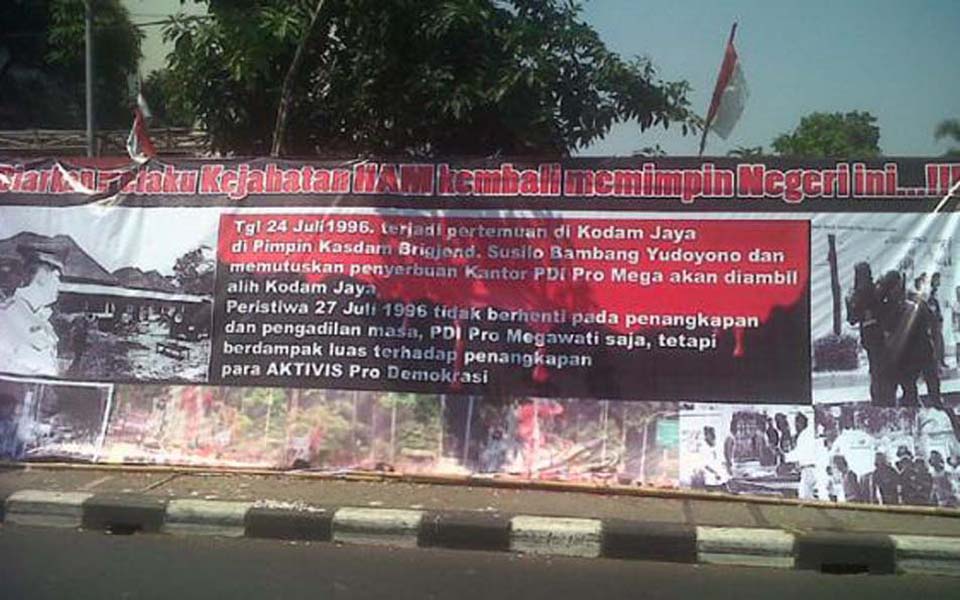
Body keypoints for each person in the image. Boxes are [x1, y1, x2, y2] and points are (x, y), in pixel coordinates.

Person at [0, 239, 69, 377]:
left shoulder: (40, 318)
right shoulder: (5, 317)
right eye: (57, 276)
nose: (59, 285)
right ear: (40, 277)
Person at [847, 262, 891, 404]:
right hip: (876, 334)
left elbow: (852, 318)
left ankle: (879, 398)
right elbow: (852, 318)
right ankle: (880, 399)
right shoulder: (865, 292)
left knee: (877, 369)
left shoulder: (863, 292)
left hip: (874, 334)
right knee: (878, 369)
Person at [787, 413, 817, 500]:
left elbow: (797, 455)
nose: (796, 426)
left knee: (804, 496)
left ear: (802, 423)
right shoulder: (805, 435)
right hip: (808, 469)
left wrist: (785, 456)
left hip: (809, 469)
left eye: (797, 423)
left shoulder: (804, 436)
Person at [928, 273, 947, 369]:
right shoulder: (932, 292)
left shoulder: (937, 292)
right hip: (934, 322)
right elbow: (933, 307)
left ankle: (941, 361)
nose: (939, 281)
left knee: (940, 341)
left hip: (938, 321)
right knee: (937, 342)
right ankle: (937, 363)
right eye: (937, 279)